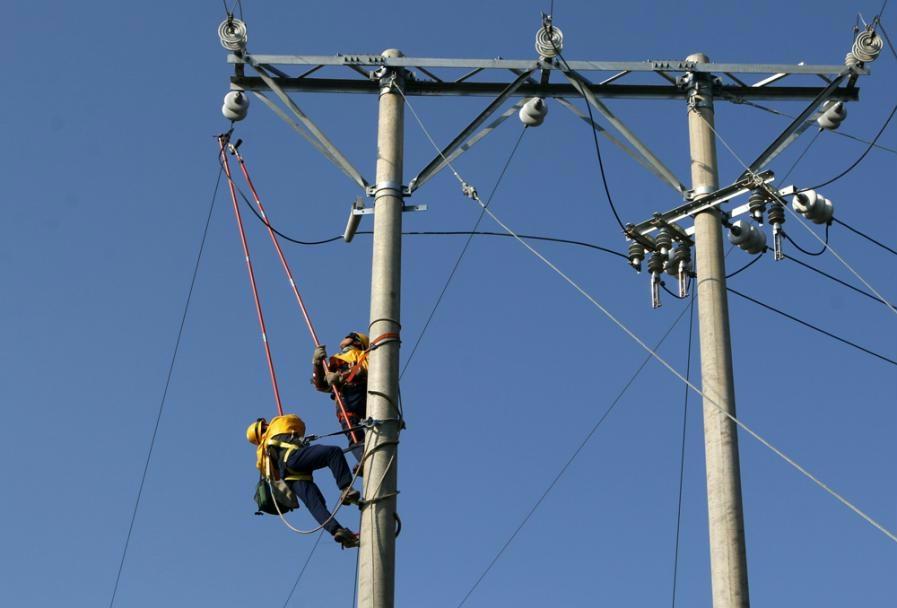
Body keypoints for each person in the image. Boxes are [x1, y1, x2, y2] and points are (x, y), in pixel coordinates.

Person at [246, 414, 361, 549]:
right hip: (293, 459)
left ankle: (337, 531)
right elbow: (297, 421)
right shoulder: (276, 426)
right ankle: (346, 488)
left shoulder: (262, 453)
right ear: (262, 429)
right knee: (333, 453)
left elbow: (273, 474)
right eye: (264, 424)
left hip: (290, 477)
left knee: (316, 504)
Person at [311, 332, 369, 461]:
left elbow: (365, 370)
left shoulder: (363, 354)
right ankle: (363, 459)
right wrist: (317, 363)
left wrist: (341, 376)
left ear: (357, 342)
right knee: (352, 431)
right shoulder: (335, 360)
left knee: (367, 429)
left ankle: (369, 456)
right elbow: (321, 385)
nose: (344, 337)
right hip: (344, 399)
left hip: (361, 394)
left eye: (349, 336)